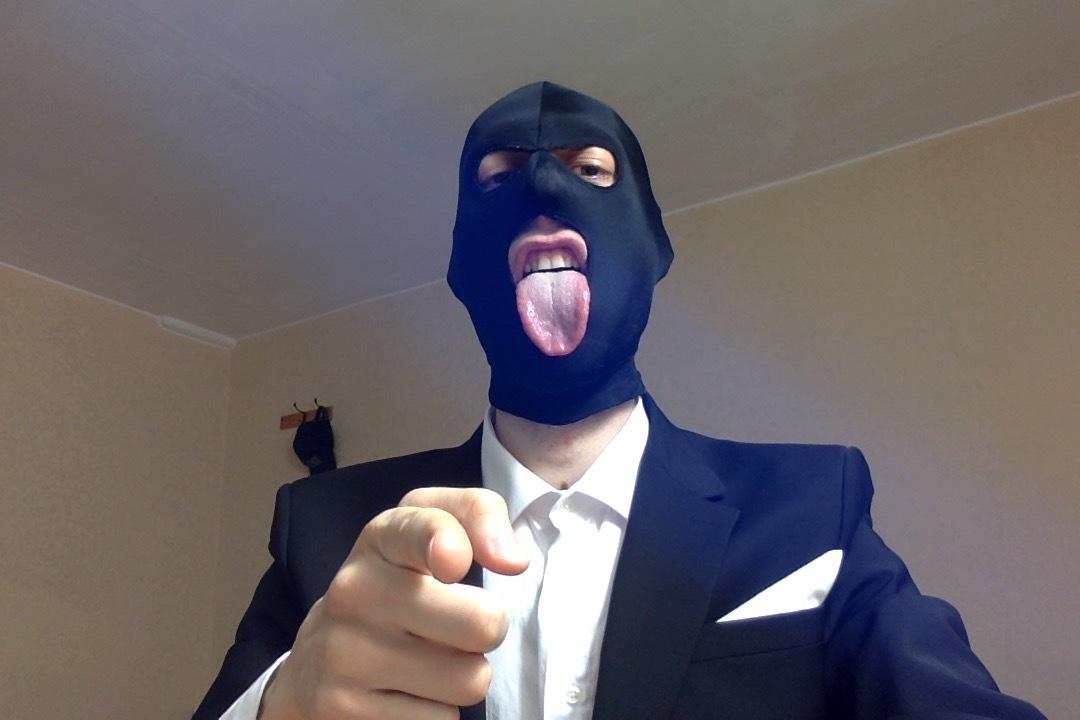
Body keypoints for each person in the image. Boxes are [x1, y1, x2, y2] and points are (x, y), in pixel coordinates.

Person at [193, 81, 1045, 720]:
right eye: (498, 178)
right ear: (459, 266)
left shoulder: (814, 507)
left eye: (590, 169)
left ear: (652, 246)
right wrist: (281, 706)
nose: (542, 189)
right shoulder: (328, 528)